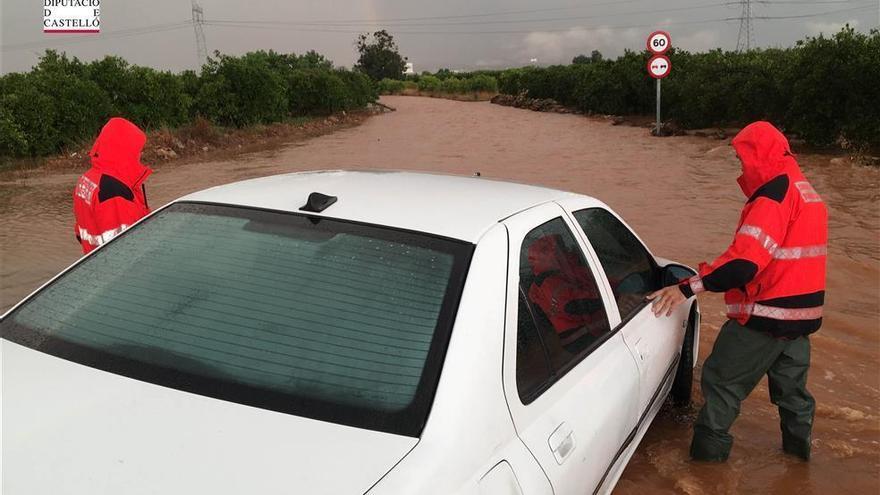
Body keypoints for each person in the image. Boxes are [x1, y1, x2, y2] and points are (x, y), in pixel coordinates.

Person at [647, 121, 828, 462]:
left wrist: (687, 288)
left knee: (720, 386)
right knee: (794, 398)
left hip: (764, 317)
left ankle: (704, 471)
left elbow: (742, 266)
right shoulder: (807, 192)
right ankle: (798, 464)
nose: (741, 167)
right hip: (801, 322)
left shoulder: (774, 196)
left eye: (742, 159)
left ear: (759, 156)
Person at [73, 117, 153, 254]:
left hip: (93, 262)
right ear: (124, 149)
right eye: (137, 150)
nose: (140, 155)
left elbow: (80, 233)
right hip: (116, 269)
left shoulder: (87, 178)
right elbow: (127, 249)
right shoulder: (113, 190)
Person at [526, 234, 607, 354]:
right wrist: (609, 301)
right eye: (561, 248)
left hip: (579, 336)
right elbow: (572, 305)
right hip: (582, 337)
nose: (567, 249)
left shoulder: (564, 271)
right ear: (550, 255)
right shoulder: (548, 282)